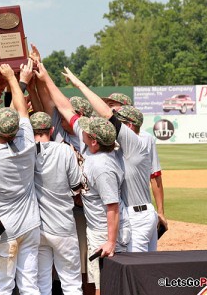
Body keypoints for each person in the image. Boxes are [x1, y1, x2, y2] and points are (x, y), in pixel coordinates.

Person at [62, 67, 158, 253]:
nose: (113, 121)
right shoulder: (126, 146)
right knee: (147, 268)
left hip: (136, 217)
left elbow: (106, 114)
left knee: (135, 271)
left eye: (118, 118)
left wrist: (79, 84)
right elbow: (68, 111)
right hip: (144, 213)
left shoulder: (134, 143)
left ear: (129, 125)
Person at [0, 62, 41, 294]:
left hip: (5, 228)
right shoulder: (27, 144)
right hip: (30, 224)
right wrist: (14, 80)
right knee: (29, 285)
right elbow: (23, 111)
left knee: (3, 286)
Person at [75, 116, 131, 294]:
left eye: (87, 130)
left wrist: (111, 242)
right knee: (99, 282)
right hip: (97, 229)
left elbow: (112, 207)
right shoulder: (95, 154)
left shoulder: (102, 167)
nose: (82, 130)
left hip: (104, 232)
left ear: (94, 142)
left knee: (105, 285)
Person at [30, 111, 83, 295]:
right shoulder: (65, 150)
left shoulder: (27, 152)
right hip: (63, 225)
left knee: (42, 283)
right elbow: (77, 185)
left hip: (38, 227)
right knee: (71, 283)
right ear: (51, 130)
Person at [102, 93, 168, 236]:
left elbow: (155, 175)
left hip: (135, 209)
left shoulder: (145, 138)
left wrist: (161, 212)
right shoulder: (108, 134)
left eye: (112, 105)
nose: (109, 108)